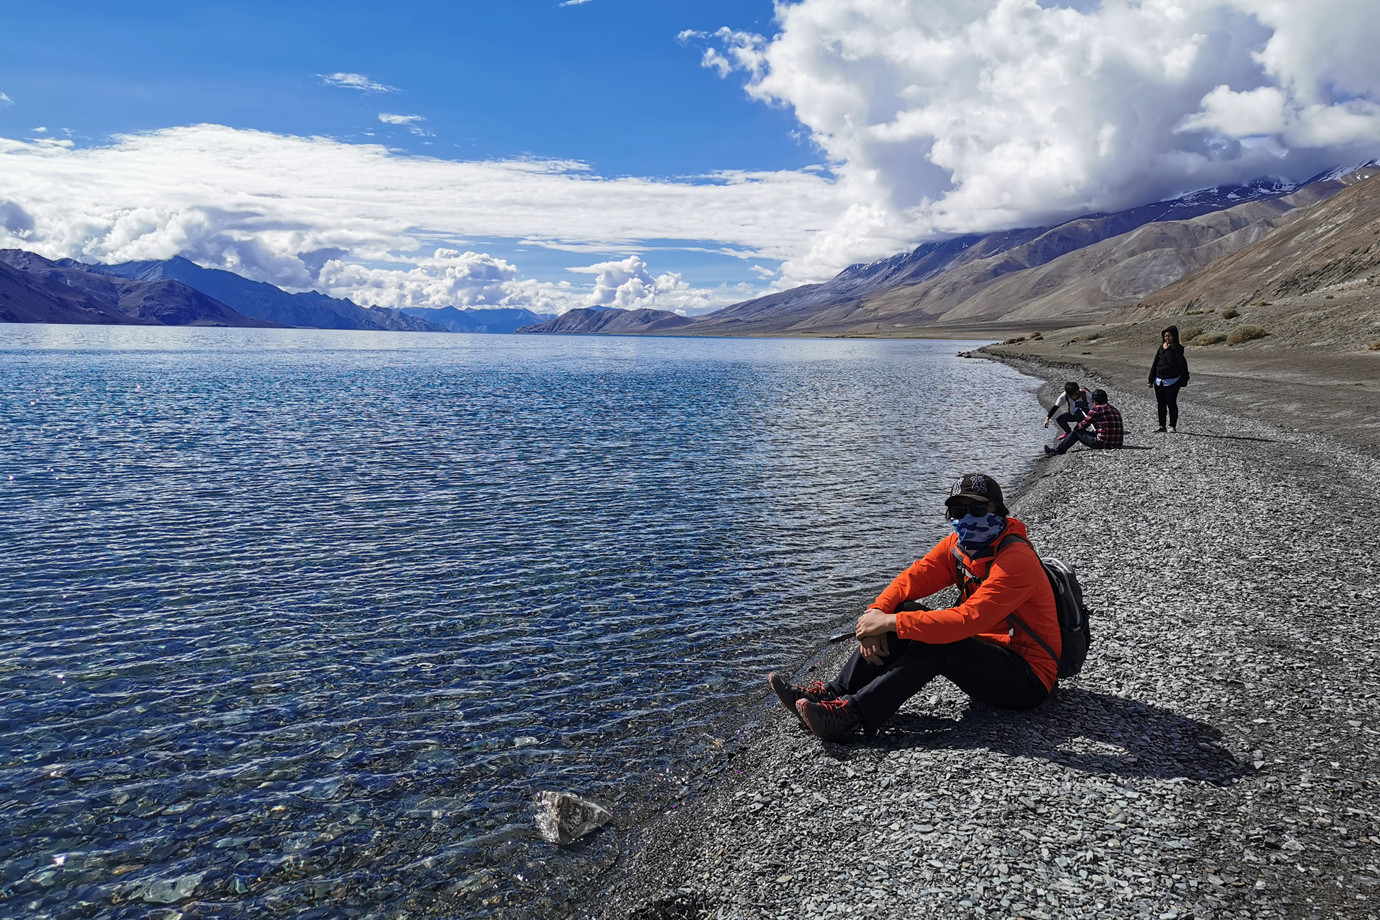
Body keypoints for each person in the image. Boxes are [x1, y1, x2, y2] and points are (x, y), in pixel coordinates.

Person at [766, 474, 1060, 740]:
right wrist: (876, 614)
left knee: (941, 642)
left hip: (1027, 679)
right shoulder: (960, 548)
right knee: (902, 608)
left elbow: (968, 621)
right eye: (959, 512)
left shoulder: (1016, 560)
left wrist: (889, 624)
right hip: (986, 657)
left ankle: (850, 715)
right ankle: (832, 695)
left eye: (978, 510)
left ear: (998, 512)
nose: (967, 519)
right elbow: (911, 579)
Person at [1044, 388, 1123, 455]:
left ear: (1095, 401)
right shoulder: (1114, 409)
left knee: (1076, 432)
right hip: (1118, 442)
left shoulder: (1096, 409)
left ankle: (1057, 451)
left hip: (1103, 443)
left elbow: (1084, 424)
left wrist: (1077, 428)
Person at [1148, 325, 1190, 432]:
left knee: (1171, 403)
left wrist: (1169, 350)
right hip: (1159, 380)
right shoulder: (1161, 348)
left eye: (1170, 336)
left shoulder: (1178, 349)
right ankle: (1162, 425)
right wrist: (1150, 379)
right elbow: (1155, 363)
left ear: (1174, 337)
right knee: (1161, 404)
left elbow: (1173, 362)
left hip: (1172, 381)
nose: (1167, 338)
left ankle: (1172, 425)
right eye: (1166, 336)